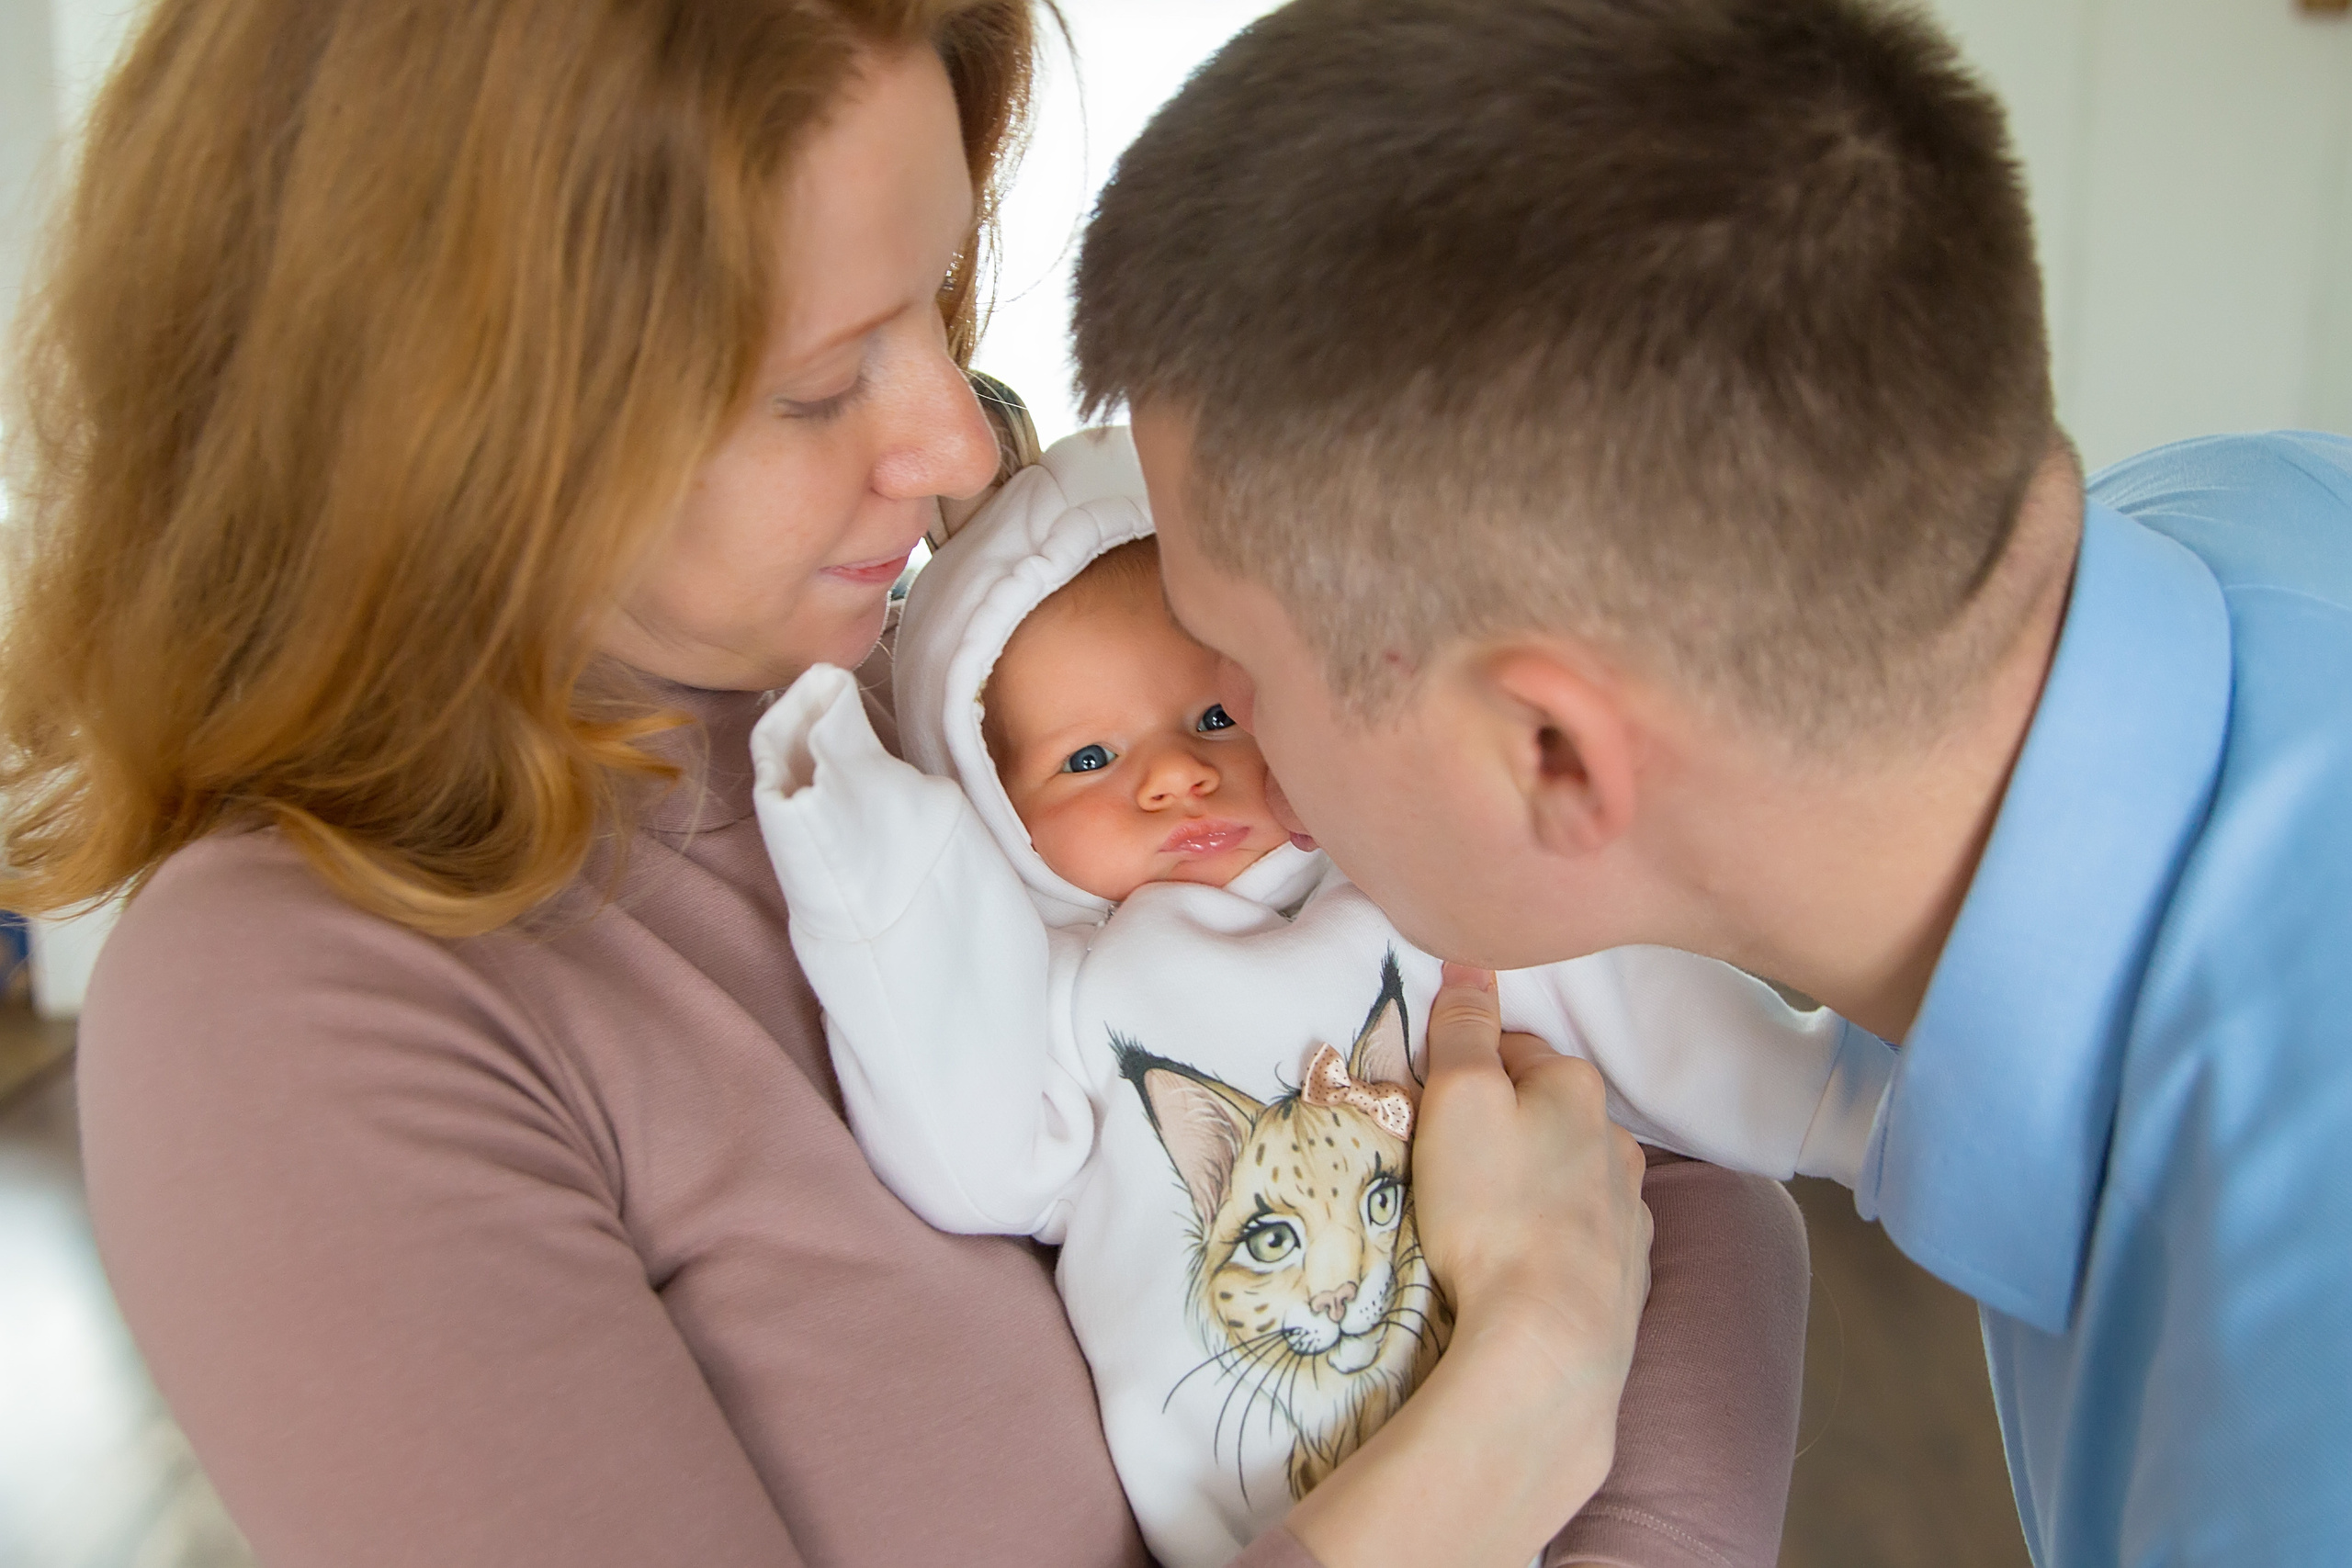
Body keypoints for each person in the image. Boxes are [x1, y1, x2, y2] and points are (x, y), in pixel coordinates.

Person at [2, 3, 1792, 1566]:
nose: (951, 446)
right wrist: (1529, 1388)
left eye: (934, 302)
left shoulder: (983, 665)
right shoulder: (295, 1009)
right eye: (813, 386)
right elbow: (1586, 1241)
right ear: (447, 416)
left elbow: (1669, 1148)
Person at [1071, 0, 2352, 1563]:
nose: (1217, 740)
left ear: (1550, 755)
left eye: (1225, 672)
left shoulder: (2284, 1446)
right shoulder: (2237, 516)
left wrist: (1533, 1368)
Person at [750, 428, 1878, 1567]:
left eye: (1213, 719)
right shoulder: (1072, 1003)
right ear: (995, 811)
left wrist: (1837, 1100)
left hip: (1583, 1458)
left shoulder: (1402, 886)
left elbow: (1638, 1005)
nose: (1173, 776)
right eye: (1086, 761)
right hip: (1264, 1522)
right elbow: (969, 1152)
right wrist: (876, 865)